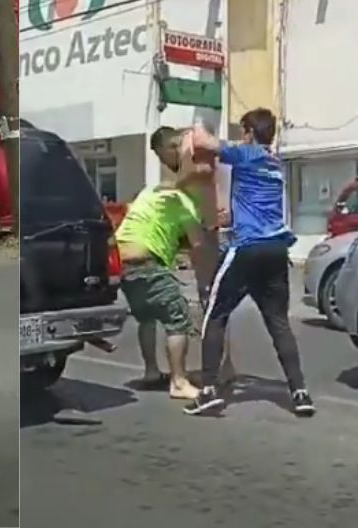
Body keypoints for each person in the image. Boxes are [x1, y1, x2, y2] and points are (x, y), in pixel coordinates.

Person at [183, 109, 315, 417]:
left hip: (248, 247)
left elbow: (203, 142)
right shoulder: (275, 163)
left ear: (250, 132)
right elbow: (252, 200)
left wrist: (196, 124)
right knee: (279, 323)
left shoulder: (246, 154)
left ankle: (209, 390)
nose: (241, 135)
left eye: (243, 130)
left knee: (215, 315)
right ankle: (299, 391)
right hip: (276, 250)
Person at [113, 151, 209, 400]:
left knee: (147, 317)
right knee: (177, 317)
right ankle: (178, 382)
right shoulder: (185, 203)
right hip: (147, 263)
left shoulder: (151, 192)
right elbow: (198, 244)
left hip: (122, 260)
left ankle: (151, 372)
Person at [150, 127, 238, 387]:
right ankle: (223, 366)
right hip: (206, 229)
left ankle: (221, 368)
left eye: (160, 156)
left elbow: (206, 170)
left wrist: (177, 183)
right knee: (211, 298)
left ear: (167, 147)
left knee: (211, 299)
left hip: (214, 229)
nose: (164, 162)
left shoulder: (193, 142)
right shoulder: (187, 153)